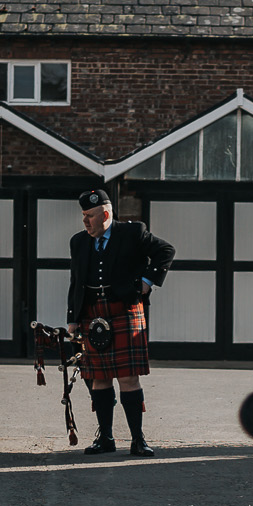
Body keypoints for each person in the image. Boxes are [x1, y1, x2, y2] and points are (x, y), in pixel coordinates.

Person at [67, 189, 174, 456]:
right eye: (83, 216)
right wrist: (73, 318)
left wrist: (147, 283)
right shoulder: (78, 242)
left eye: (90, 216)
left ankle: (138, 440)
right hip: (93, 314)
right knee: (98, 378)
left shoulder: (132, 232)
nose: (85, 222)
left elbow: (165, 250)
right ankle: (106, 438)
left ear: (105, 214)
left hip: (125, 310)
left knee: (128, 378)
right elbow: (76, 281)